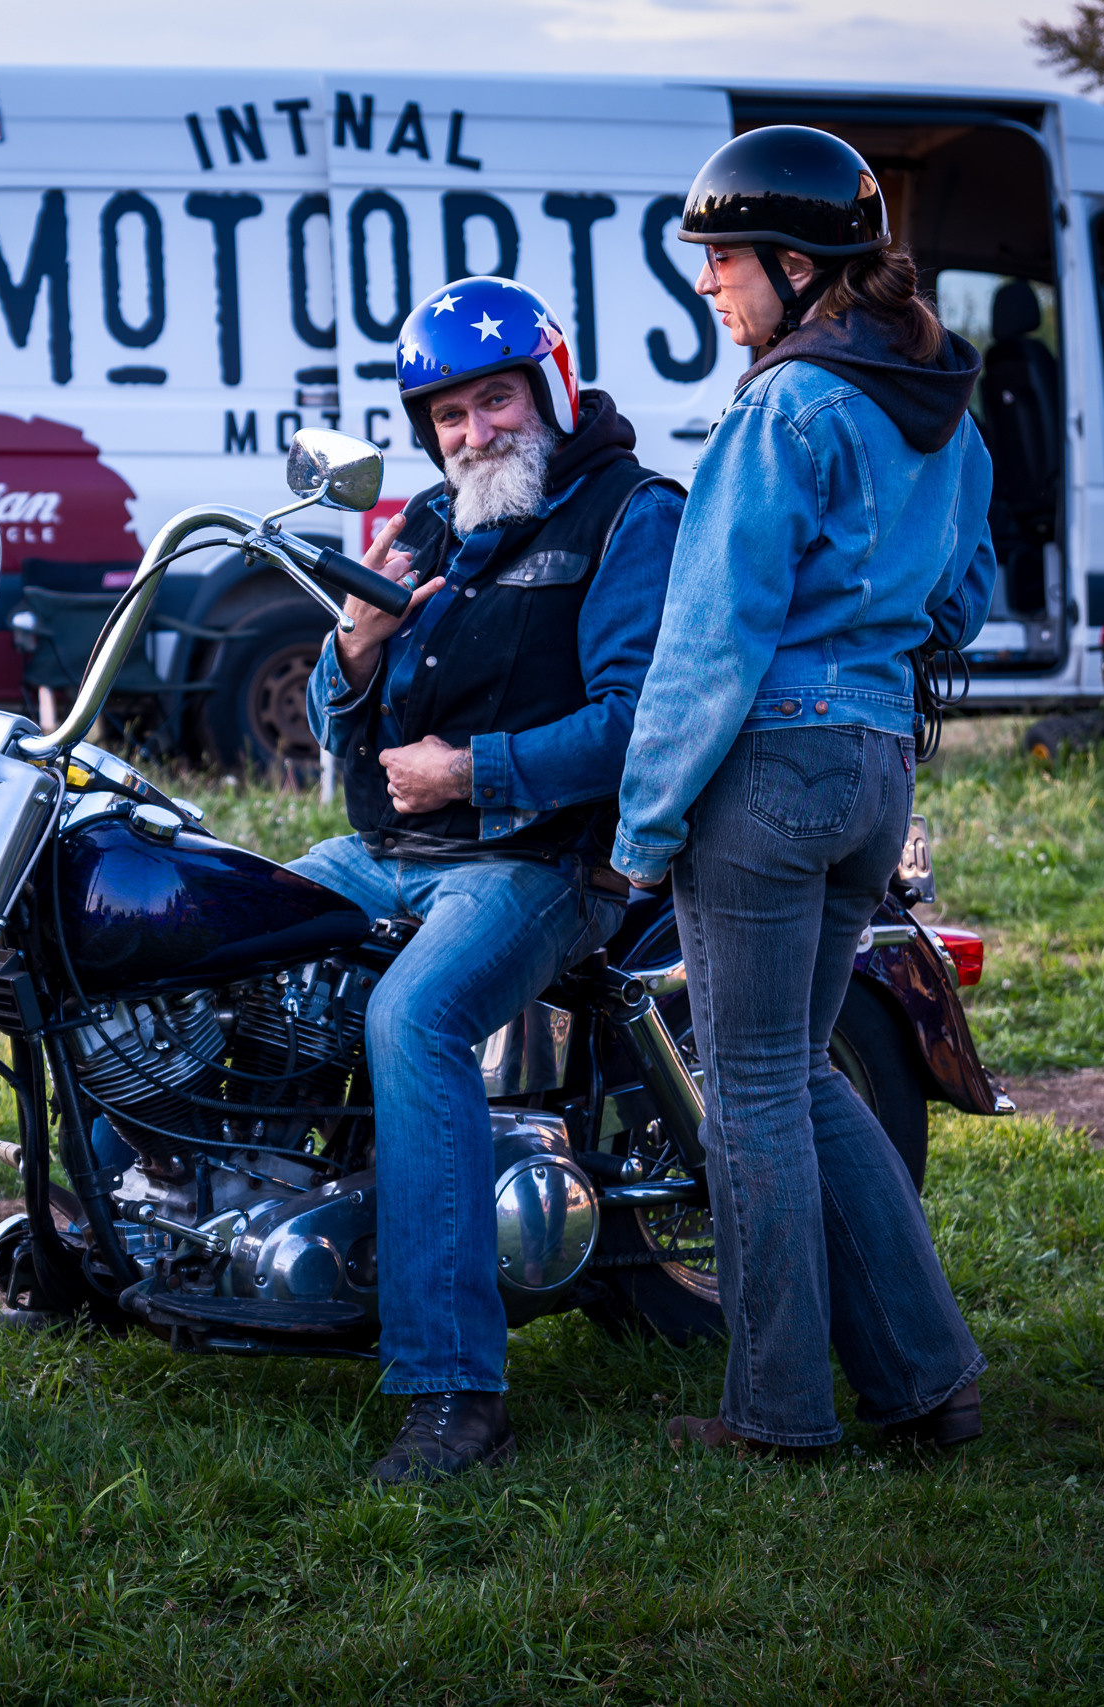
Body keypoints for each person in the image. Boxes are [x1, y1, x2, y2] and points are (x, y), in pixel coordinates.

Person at [611, 127, 996, 1457]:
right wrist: (869, 637)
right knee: (801, 1072)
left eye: (721, 260)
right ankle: (928, 1377)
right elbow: (962, 601)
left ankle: (775, 1414)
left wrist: (640, 831)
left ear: (794, 262)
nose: (707, 284)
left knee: (752, 1091)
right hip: (876, 768)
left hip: (770, 774)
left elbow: (709, 639)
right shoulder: (936, 403)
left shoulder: (782, 409)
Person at [293, 275, 684, 1485]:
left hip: (542, 860)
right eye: (450, 414)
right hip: (388, 852)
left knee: (413, 1018)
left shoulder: (628, 515)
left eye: (496, 400)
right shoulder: (425, 522)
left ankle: (455, 1390)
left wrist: (472, 770)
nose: (475, 432)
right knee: (211, 935)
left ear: (551, 391)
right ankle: (181, 1242)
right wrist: (353, 646)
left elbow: (639, 721)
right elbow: (334, 720)